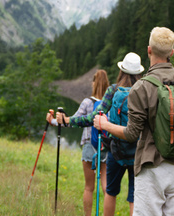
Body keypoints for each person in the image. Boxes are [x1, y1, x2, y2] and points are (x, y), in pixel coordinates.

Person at [94, 27, 174, 216]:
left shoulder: (141, 87)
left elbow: (131, 134)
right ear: (172, 53)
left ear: (149, 50)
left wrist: (105, 125)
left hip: (152, 165)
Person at [56, 52, 144, 216]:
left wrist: (68, 120)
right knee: (134, 197)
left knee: (110, 192)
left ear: (122, 70)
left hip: (115, 151)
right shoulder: (144, 91)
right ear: (139, 72)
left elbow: (92, 117)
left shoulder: (113, 90)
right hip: (137, 153)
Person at [71, 69, 109, 216]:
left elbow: (74, 121)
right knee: (106, 187)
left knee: (89, 187)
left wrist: (56, 121)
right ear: (107, 84)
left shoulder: (87, 102)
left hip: (89, 145)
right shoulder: (109, 103)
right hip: (105, 146)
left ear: (94, 83)